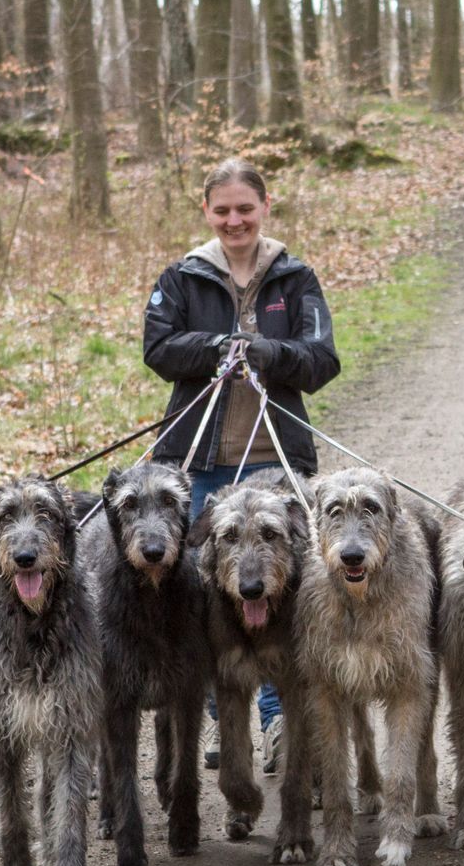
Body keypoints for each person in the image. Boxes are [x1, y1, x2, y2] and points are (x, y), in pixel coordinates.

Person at [144, 158, 340, 767]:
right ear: (207, 212)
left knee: (283, 594)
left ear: (265, 206)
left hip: (277, 463)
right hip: (201, 462)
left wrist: (268, 352)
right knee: (209, 597)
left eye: (245, 209)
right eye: (223, 210)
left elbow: (320, 359)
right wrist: (216, 348)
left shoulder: (296, 277)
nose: (235, 220)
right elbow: (158, 348)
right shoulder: (182, 277)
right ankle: (219, 714)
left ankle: (280, 722)